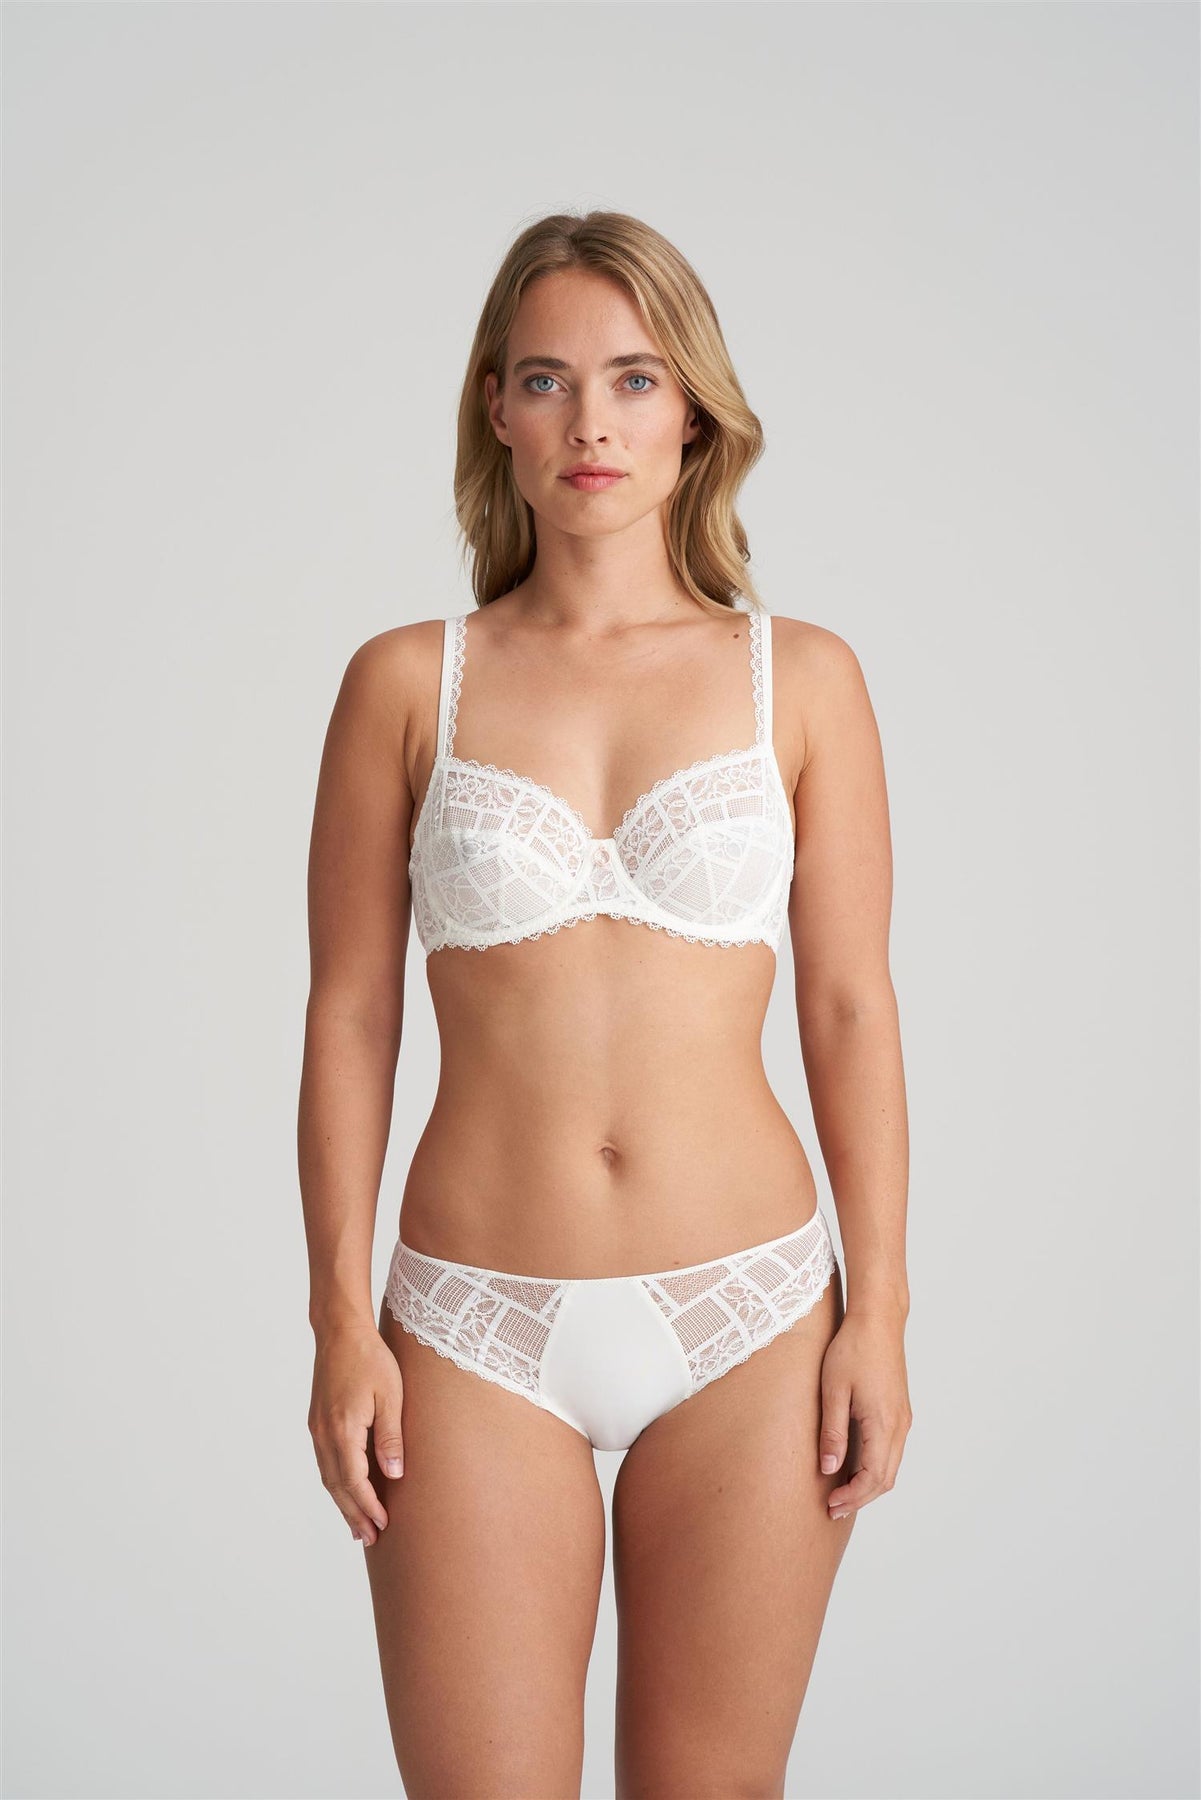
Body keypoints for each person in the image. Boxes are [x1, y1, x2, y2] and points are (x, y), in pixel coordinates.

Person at [299, 209, 912, 1799]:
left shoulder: (802, 678)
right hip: (470, 1321)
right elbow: (350, 1019)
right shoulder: (404, 682)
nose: (591, 422)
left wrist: (882, 1315)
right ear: (494, 409)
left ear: (692, 412)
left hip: (753, 1314)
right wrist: (338, 1323)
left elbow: (849, 1008)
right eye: (547, 380)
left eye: (634, 379)